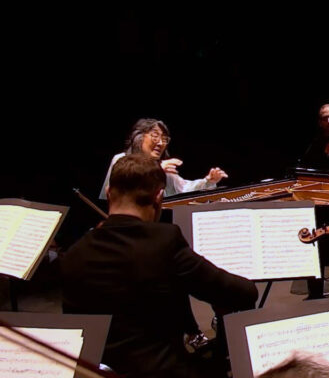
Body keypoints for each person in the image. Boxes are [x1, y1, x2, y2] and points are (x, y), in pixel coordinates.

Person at [63, 154, 257, 377]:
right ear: (159, 197)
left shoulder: (74, 254)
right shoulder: (163, 242)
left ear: (108, 194)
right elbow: (243, 293)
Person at [100, 118, 227, 199]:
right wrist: (156, 169)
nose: (161, 143)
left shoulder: (163, 168)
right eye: (155, 136)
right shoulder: (121, 160)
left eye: (164, 139)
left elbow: (185, 189)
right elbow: (123, 185)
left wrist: (208, 181)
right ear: (139, 137)